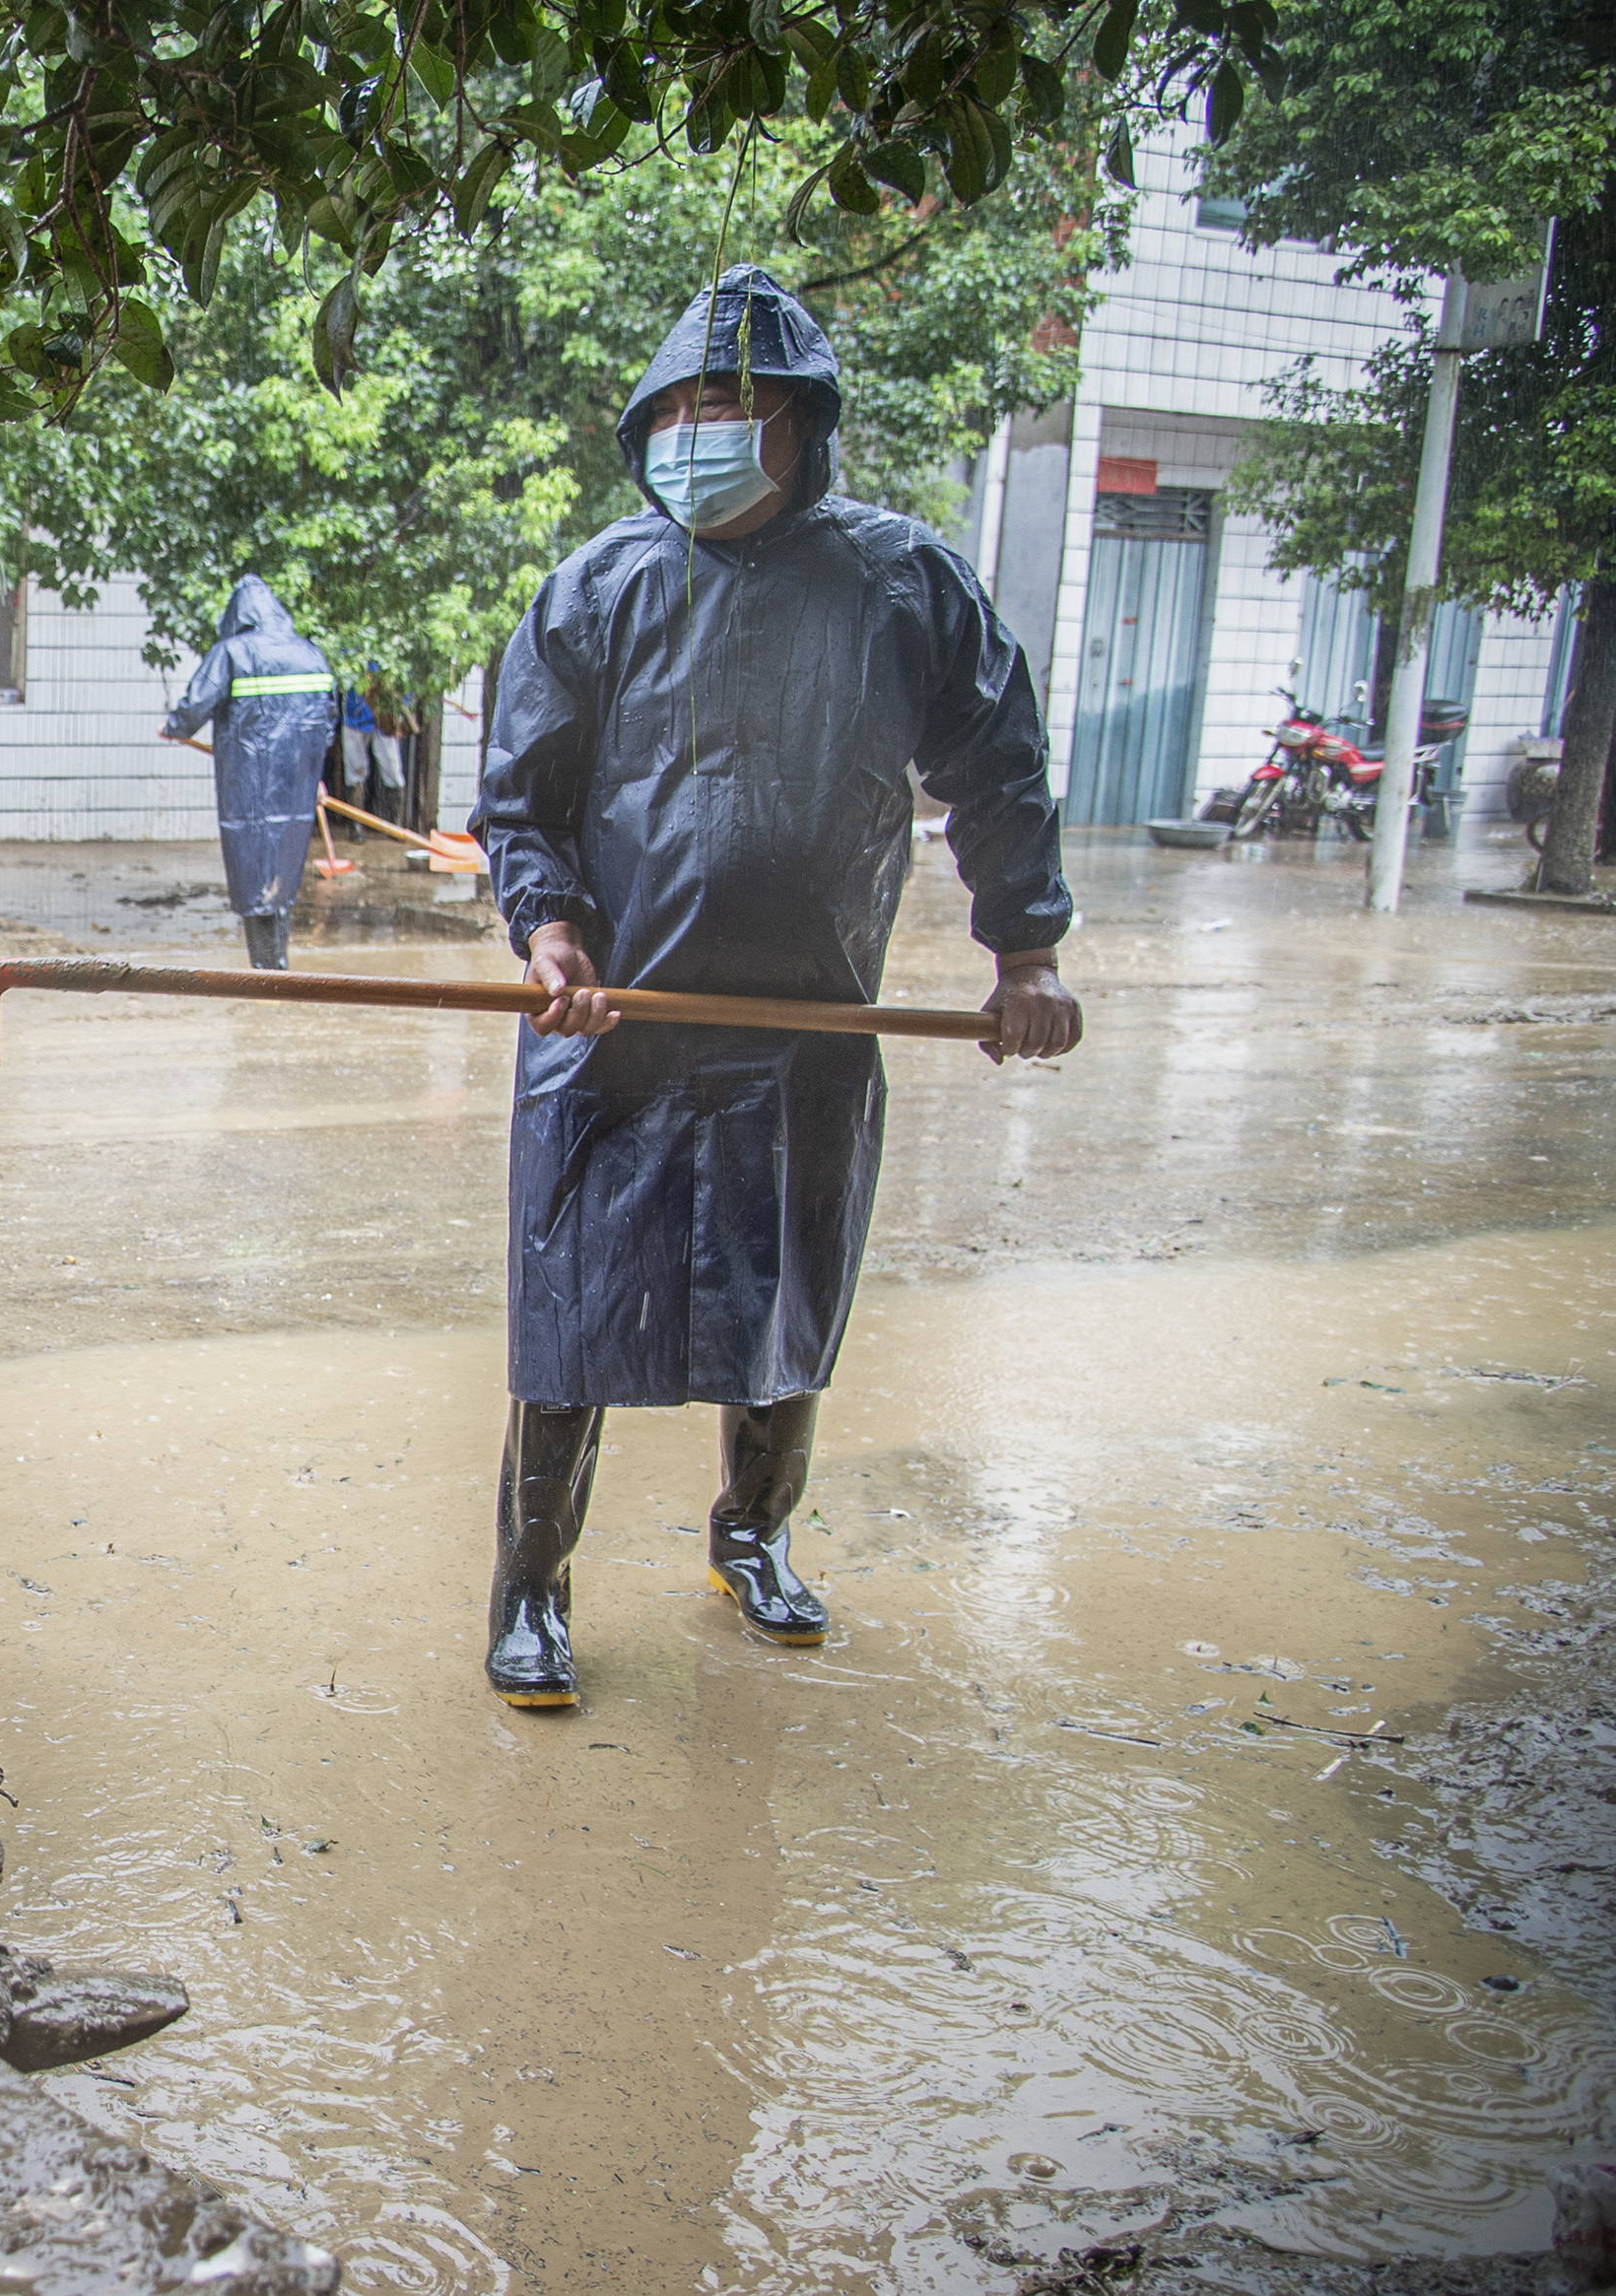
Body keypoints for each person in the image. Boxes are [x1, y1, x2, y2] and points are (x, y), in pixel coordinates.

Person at [472, 264, 1082, 1711]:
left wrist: (1030, 949)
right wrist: (547, 925)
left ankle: (752, 1537)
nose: (703, 428)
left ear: (800, 424)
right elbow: (523, 796)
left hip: (804, 1033)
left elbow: (997, 764)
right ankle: (531, 1590)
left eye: (734, 405)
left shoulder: (901, 583)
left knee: (788, 1304)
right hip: (617, 1031)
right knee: (570, 1315)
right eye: (680, 404)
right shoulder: (600, 587)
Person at [163, 575, 337, 969]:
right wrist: (315, 774)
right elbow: (328, 720)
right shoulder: (309, 654)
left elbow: (196, 703)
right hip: (295, 783)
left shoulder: (232, 653)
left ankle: (265, 970)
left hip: (250, 781)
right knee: (282, 869)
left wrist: (175, 727)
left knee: (252, 866)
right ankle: (278, 966)